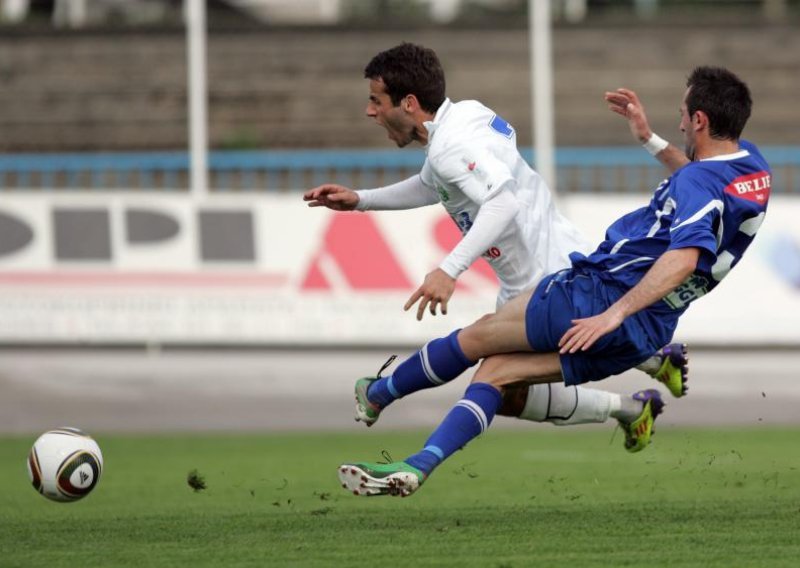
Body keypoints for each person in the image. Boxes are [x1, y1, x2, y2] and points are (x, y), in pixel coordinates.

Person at [338, 65, 770, 497]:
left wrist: (611, 314)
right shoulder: (751, 169)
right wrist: (648, 139)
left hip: (595, 296)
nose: (678, 123)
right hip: (649, 328)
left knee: (475, 341)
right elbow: (697, 184)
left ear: (699, 120)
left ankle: (378, 394)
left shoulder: (697, 181)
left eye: (682, 114)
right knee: (497, 378)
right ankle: (419, 465)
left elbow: (683, 256)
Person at [304, 43, 686, 447]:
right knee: (508, 390)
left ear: (410, 103)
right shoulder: (466, 116)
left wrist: (449, 270)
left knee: (497, 382)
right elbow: (436, 182)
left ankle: (639, 388)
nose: (370, 111)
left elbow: (502, 200)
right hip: (555, 260)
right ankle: (641, 388)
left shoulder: (451, 148)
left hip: (545, 279)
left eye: (376, 100)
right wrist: (361, 200)